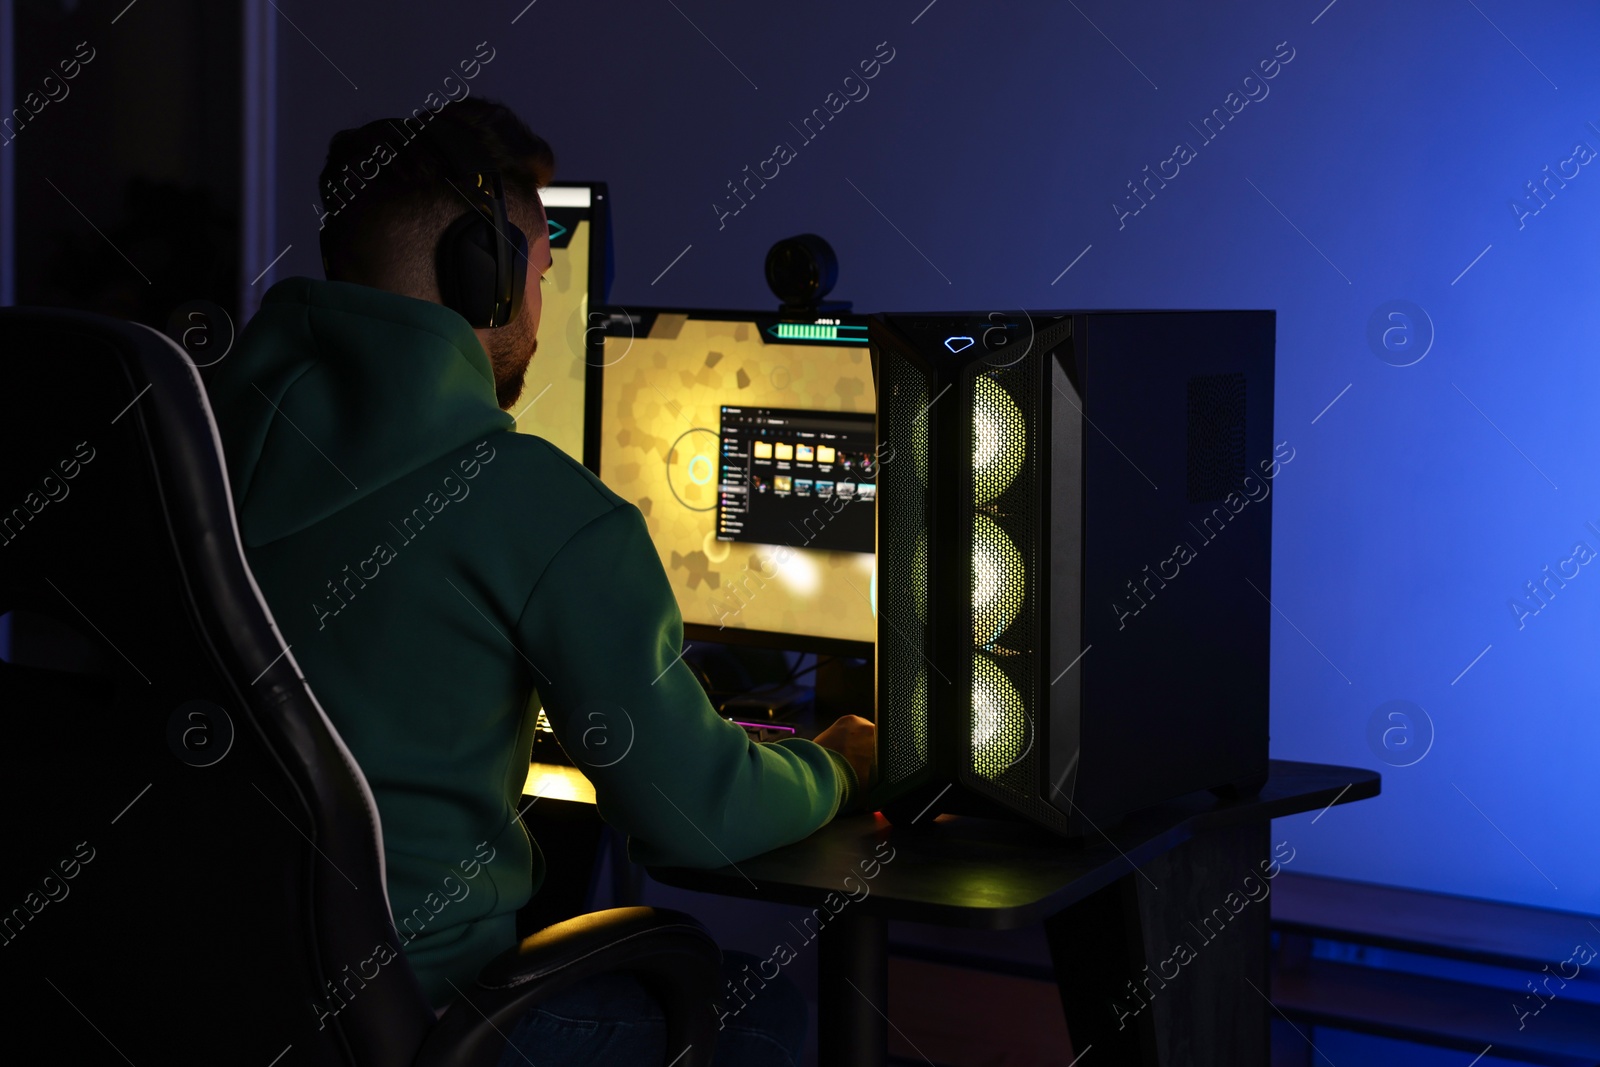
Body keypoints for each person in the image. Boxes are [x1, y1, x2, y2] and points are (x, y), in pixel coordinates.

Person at [204, 96, 876, 1065]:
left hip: (194, 989)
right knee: (764, 1013)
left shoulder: (192, 443)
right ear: (481, 276)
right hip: (412, 1018)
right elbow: (694, 815)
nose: (540, 307)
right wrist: (837, 764)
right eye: (541, 271)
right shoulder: (539, 509)